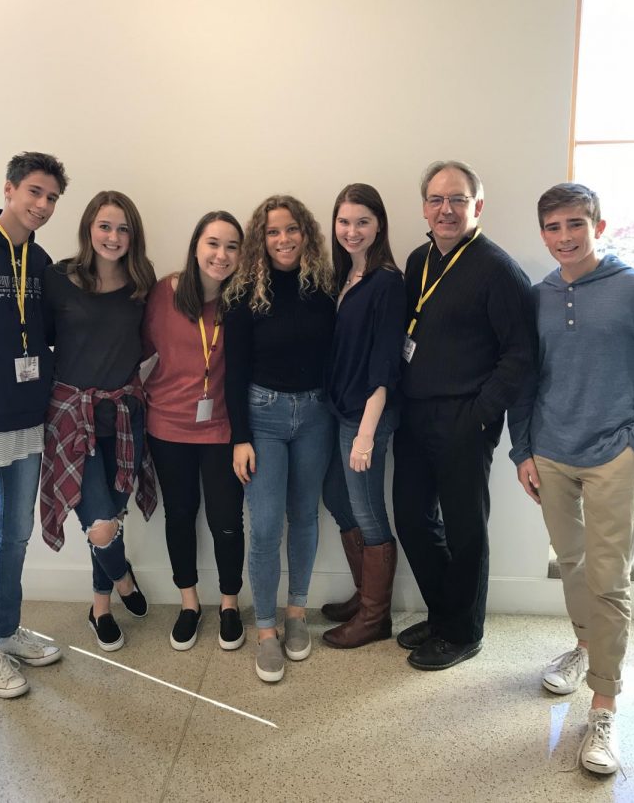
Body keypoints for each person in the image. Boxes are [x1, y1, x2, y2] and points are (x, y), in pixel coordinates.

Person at [508, 183, 634, 776]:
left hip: (614, 452)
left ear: (598, 225)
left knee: (609, 577)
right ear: (543, 234)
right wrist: (523, 451)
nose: (565, 237)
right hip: (552, 453)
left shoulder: (631, 289)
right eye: (554, 227)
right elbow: (524, 379)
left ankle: (604, 707)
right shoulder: (536, 298)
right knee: (573, 561)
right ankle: (584, 649)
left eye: (575, 225)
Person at [392, 160, 534, 670]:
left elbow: (520, 354)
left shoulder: (497, 269)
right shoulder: (417, 260)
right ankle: (444, 613)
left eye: (457, 199)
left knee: (465, 528)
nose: (446, 209)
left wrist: (479, 415)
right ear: (424, 208)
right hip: (414, 415)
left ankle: (464, 631)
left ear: (478, 206)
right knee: (411, 518)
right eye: (436, 199)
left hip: (464, 418)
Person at [0, 151, 68, 698]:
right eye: (34, 192)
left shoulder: (41, 259)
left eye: (51, 197)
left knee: (18, 534)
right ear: (8, 190)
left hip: (28, 420)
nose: (42, 205)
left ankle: (7, 628)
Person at [224, 195, 335, 682]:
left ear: (305, 233)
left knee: (305, 518)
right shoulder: (244, 293)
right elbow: (233, 372)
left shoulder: (326, 289)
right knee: (266, 526)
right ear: (260, 239)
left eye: (291, 230)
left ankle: (296, 614)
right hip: (262, 417)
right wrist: (240, 437)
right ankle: (265, 628)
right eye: (273, 232)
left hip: (316, 416)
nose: (284, 239)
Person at [40, 190, 157, 652]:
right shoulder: (57, 278)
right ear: (89, 227)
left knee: (112, 514)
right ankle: (122, 576)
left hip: (126, 416)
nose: (113, 236)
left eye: (123, 228)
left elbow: (149, 344)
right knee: (101, 525)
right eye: (105, 226)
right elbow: (37, 338)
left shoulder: (140, 284)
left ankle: (100, 609)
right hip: (72, 417)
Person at [142, 211, 246, 652]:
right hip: (167, 427)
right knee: (180, 515)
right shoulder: (163, 293)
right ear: (196, 246)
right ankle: (189, 603)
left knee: (225, 521)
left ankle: (228, 603)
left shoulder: (241, 300)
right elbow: (138, 349)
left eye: (231, 246)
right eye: (212, 243)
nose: (221, 255)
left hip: (222, 430)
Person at [320, 183, 405, 648]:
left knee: (369, 512)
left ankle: (376, 618)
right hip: (338, 408)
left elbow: (385, 365)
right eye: (344, 221)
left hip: (366, 416)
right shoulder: (341, 276)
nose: (351, 231)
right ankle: (363, 594)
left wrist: (367, 435)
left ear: (379, 226)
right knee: (337, 496)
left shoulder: (387, 283)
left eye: (362, 222)